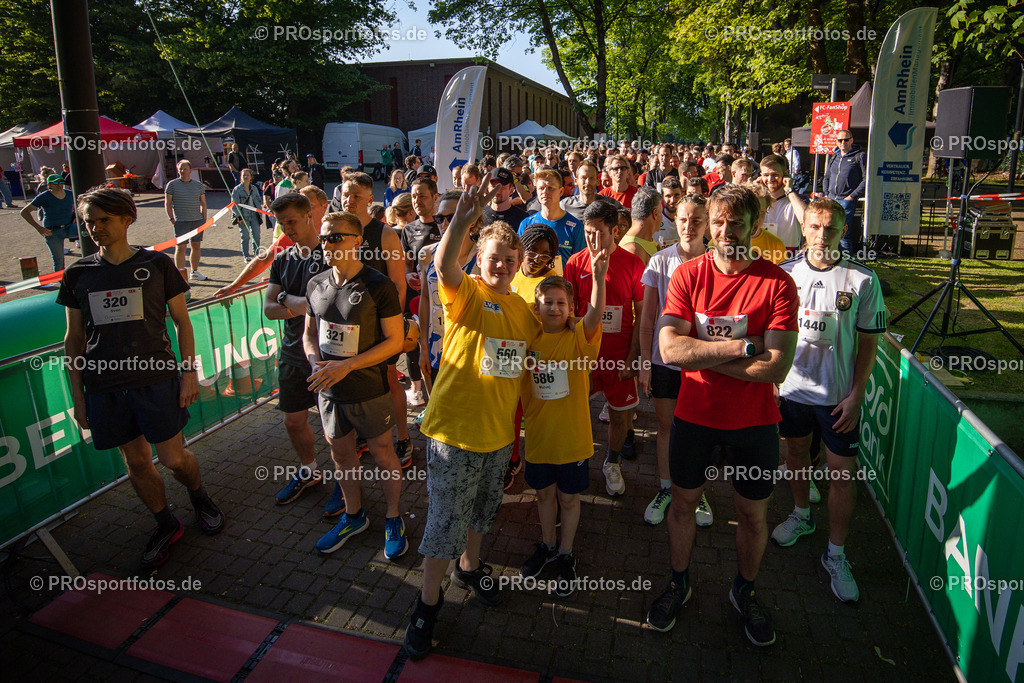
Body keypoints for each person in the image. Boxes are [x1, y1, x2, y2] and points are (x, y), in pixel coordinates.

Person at [646, 185, 798, 647]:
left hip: (754, 424)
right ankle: (679, 582)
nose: (725, 231)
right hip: (694, 416)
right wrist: (737, 347)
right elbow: (670, 349)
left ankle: (744, 591)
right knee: (683, 504)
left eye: (736, 222)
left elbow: (776, 366)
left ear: (756, 226)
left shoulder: (777, 283)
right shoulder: (688, 276)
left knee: (752, 516)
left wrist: (702, 355)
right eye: (718, 221)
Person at [404, 185, 540, 660]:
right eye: (492, 257)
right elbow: (442, 266)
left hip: (498, 437)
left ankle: (471, 566)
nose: (500, 265)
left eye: (508, 258)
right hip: (452, 434)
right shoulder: (465, 294)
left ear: (519, 261)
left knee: (483, 512)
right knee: (445, 521)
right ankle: (426, 605)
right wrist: (463, 220)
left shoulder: (526, 313)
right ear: (479, 259)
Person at [59, 187, 223, 569]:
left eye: (104, 220)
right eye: (89, 222)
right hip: (104, 386)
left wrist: (188, 373)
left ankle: (199, 495)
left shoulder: (157, 265)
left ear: (127, 219)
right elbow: (74, 340)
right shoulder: (77, 273)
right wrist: (78, 399)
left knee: (173, 458)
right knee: (136, 462)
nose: (96, 228)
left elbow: (183, 323)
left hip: (156, 380)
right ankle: (166, 522)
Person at [770, 198, 886, 603]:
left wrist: (857, 395)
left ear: (843, 231)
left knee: (841, 472)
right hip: (792, 392)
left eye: (831, 228)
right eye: (815, 227)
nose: (822, 235)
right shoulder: (785, 275)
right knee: (796, 456)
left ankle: (836, 554)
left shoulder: (863, 280)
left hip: (838, 400)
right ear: (804, 228)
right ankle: (802, 515)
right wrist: (772, 381)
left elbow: (869, 345)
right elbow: (773, 333)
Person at [302, 210, 408, 558]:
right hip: (329, 391)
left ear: (358, 241)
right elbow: (308, 334)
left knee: (382, 453)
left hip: (369, 389)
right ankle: (353, 515)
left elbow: (394, 341)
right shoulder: (315, 283)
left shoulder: (378, 285)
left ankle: (393, 517)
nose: (327, 243)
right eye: (323, 237)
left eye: (335, 237)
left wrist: (347, 366)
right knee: (341, 454)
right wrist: (315, 361)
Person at [518, 256, 606, 596]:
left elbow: (596, 314)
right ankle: (547, 544)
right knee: (543, 496)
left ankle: (566, 554)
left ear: (571, 308)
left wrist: (598, 277)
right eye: (547, 303)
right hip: (539, 438)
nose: (554, 309)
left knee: (569, 500)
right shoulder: (527, 340)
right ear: (536, 308)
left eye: (561, 303)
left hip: (573, 439)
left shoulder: (580, 339)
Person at [264, 192, 346, 516]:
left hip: (328, 355)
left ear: (309, 216)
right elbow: (270, 308)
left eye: (292, 221)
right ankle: (309, 470)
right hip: (292, 354)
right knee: (293, 420)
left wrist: (290, 302)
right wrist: (291, 301)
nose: (287, 228)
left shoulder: (330, 255)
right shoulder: (282, 260)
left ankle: (345, 482)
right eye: (282, 223)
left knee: (335, 429)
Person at [637, 194, 713, 527]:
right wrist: (644, 362)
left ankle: (698, 491)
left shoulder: (717, 264)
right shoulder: (660, 261)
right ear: (674, 221)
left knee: (698, 431)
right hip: (664, 361)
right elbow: (647, 318)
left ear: (707, 223)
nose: (688, 226)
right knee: (666, 428)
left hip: (701, 362)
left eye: (696, 220)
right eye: (682, 219)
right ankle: (666, 488)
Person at [565, 200, 644, 496]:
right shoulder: (575, 263)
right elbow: (568, 315)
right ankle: (577, 458)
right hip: (584, 359)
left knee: (621, 415)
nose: (592, 239)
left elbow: (640, 313)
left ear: (615, 231)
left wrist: (633, 356)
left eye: (599, 232)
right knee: (575, 411)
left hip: (619, 357)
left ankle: (612, 463)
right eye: (587, 232)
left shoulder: (633, 263)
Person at [338, 172, 413, 465]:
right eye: (346, 194)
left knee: (390, 380)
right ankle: (365, 434)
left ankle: (403, 437)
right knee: (355, 381)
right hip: (349, 327)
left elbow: (398, 284)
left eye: (357, 195)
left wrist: (392, 328)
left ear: (370, 199)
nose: (350, 200)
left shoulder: (385, 233)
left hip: (382, 326)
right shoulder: (337, 232)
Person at [399, 179, 444, 407]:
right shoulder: (408, 230)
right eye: (414, 196)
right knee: (417, 346)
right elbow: (407, 264)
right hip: (418, 298)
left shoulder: (444, 224)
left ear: (435, 197)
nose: (417, 201)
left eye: (422, 196)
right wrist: (409, 276)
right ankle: (425, 398)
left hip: (443, 301)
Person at [517, 169, 586, 272]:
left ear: (561, 191)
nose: (545, 192)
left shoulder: (575, 227)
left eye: (551, 188)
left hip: (563, 285)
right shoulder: (527, 224)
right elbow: (518, 259)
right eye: (541, 188)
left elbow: (581, 266)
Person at [821, 130, 866, 255]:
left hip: (846, 201)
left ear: (851, 140)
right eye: (840, 140)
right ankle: (832, 257)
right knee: (828, 230)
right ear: (836, 142)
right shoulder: (834, 156)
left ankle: (847, 262)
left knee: (842, 233)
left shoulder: (859, 156)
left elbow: (866, 179)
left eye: (846, 140)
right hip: (831, 199)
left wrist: (852, 196)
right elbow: (827, 176)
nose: (843, 143)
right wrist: (826, 194)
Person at [21, 174, 77, 273]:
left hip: (69, 227)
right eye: (55, 182)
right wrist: (39, 228)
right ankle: (61, 283)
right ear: (49, 185)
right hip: (52, 231)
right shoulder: (44, 196)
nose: (59, 185)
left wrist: (76, 217)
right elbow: (24, 212)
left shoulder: (69, 193)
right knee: (59, 260)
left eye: (61, 182)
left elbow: (75, 208)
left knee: (86, 232)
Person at [164, 160, 208, 281]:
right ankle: (179, 274)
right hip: (181, 221)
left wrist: (204, 219)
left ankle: (194, 272)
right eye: (180, 169)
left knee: (196, 245)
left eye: (185, 168)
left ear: (190, 170)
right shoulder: (172, 184)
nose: (183, 171)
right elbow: (167, 203)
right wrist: (171, 218)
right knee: (181, 247)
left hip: (197, 220)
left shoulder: (198, 185)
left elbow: (203, 203)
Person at [759, 154, 806, 254]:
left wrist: (789, 190)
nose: (770, 179)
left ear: (786, 174)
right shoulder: (757, 200)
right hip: (761, 253)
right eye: (766, 175)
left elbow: (806, 220)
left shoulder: (797, 200)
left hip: (787, 255)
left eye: (775, 174)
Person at [230, 168, 263, 262]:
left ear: (251, 177)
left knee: (256, 235)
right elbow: (234, 204)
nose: (245, 177)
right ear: (241, 177)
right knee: (245, 236)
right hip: (243, 215)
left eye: (247, 175)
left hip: (254, 215)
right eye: (243, 175)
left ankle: (256, 253)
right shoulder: (237, 190)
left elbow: (258, 200)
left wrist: (259, 212)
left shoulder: (254, 188)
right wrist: (238, 216)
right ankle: (246, 255)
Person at [653, 176, 683, 249]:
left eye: (676, 195)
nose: (673, 200)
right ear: (662, 197)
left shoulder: (687, 219)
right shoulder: (655, 219)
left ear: (682, 195)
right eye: (668, 196)